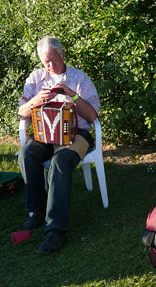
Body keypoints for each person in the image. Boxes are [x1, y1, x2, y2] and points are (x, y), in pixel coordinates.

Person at [18, 36, 100, 254]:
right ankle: (37, 211)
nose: (51, 66)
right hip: (46, 132)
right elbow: (21, 112)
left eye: (54, 60)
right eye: (46, 62)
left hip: (78, 133)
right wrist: (35, 102)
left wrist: (72, 95)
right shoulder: (36, 78)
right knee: (26, 153)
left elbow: (92, 115)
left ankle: (55, 230)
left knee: (60, 161)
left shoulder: (79, 78)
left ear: (63, 55)